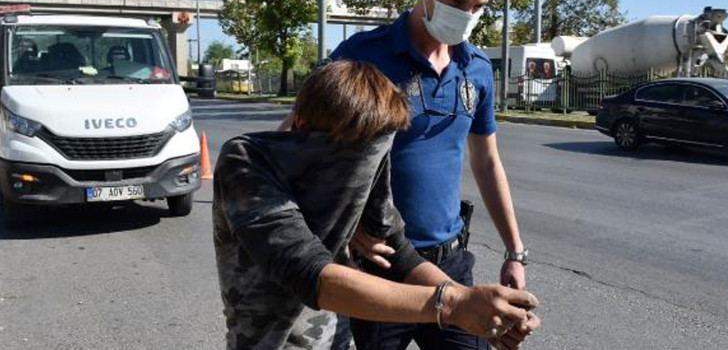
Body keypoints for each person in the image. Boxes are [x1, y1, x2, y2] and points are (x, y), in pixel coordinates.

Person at [280, 0, 532, 348]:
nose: (466, 16)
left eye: (478, 7)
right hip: (380, 267)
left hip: (449, 261)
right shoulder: (363, 56)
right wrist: (348, 227)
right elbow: (293, 145)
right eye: (456, 0)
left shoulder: (476, 68)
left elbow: (487, 163)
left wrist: (514, 251)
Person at [215, 60, 540, 350]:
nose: (355, 175)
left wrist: (479, 309)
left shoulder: (370, 159)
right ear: (300, 125)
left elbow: (397, 250)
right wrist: (453, 304)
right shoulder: (245, 161)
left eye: (366, 161)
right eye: (345, 160)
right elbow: (310, 274)